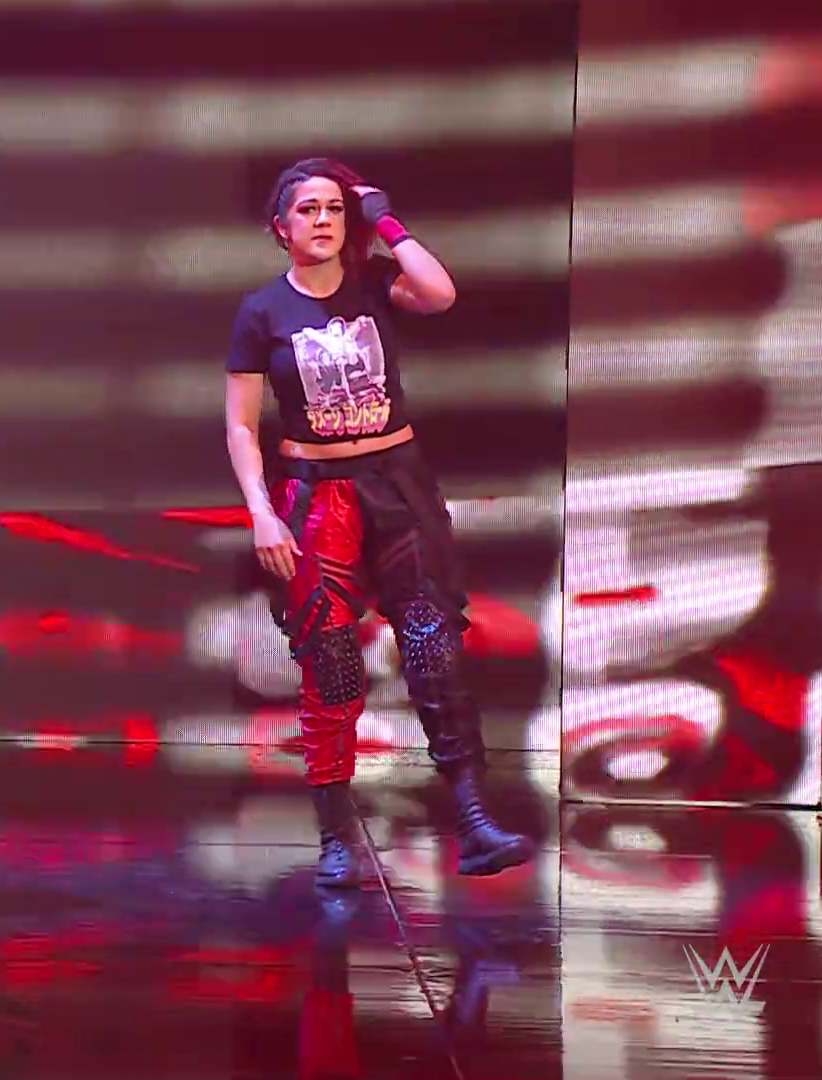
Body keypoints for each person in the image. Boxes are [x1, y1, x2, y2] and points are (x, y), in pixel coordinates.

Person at [222, 158, 533, 887]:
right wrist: (262, 513)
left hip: (396, 486)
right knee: (331, 664)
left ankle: (473, 820)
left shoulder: (375, 285)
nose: (323, 220)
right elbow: (240, 425)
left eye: (335, 208)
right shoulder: (263, 312)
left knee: (430, 646)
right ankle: (336, 837)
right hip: (316, 497)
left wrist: (385, 218)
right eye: (308, 209)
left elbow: (440, 293)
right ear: (280, 227)